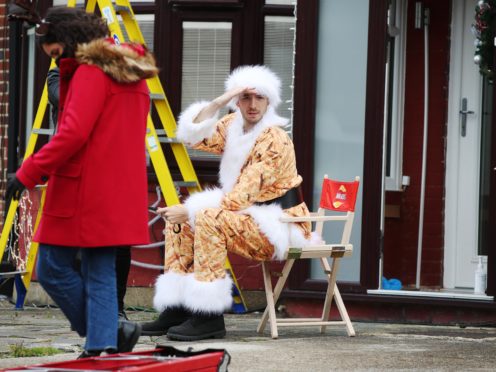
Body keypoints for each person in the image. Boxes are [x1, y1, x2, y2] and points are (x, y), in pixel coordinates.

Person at [5, 7, 158, 358]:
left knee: (52, 268)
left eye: (57, 53)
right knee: (100, 271)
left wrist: (27, 172)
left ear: (72, 39)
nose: (57, 62)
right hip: (118, 188)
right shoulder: (130, 71)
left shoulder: (91, 72)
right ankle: (102, 346)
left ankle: (107, 334)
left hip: (84, 188)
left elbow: (72, 133)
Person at [141, 65, 312, 341]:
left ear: (270, 101)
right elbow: (190, 135)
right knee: (182, 225)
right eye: (245, 98)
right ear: (237, 101)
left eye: (259, 98)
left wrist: (189, 210)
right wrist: (221, 100)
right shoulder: (233, 126)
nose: (253, 105)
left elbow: (238, 199)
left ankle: (208, 318)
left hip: (278, 224)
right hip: (247, 217)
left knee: (205, 217)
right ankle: (178, 309)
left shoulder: (274, 139)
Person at [46, 66, 132, 320]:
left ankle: (115, 309)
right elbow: (64, 97)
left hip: (113, 166)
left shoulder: (118, 72)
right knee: (68, 247)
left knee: (118, 241)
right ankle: (88, 309)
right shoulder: (59, 75)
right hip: (75, 173)